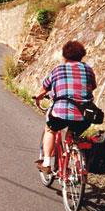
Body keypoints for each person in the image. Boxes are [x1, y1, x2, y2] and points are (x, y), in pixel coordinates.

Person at [34, 40, 97, 173]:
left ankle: (46, 162)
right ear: (82, 56)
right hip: (85, 115)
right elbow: (93, 86)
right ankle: (73, 166)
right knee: (72, 136)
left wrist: (38, 98)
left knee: (50, 129)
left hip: (61, 112)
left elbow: (44, 89)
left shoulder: (58, 69)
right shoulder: (88, 70)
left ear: (64, 56)